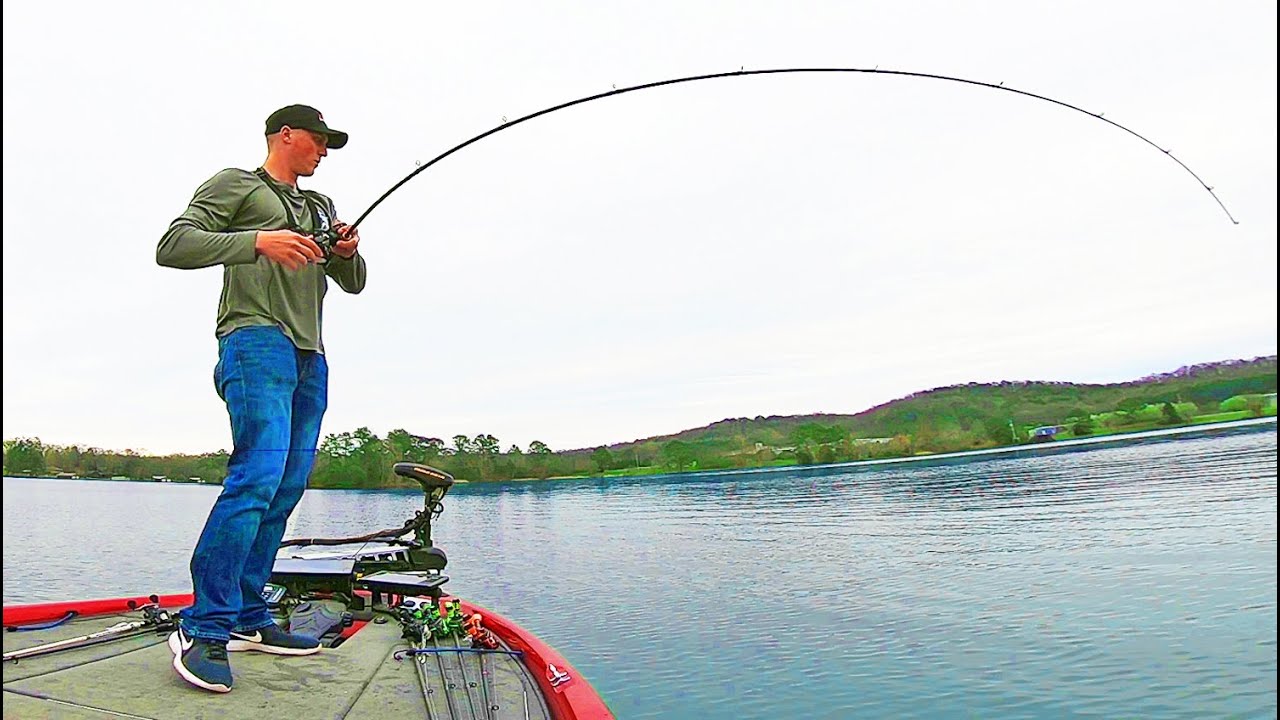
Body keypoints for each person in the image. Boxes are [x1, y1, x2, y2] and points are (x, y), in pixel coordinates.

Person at [155, 104, 367, 693]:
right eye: (318, 140)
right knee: (255, 478)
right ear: (285, 135)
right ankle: (204, 626)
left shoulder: (320, 206)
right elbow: (173, 244)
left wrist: (345, 253)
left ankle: (250, 615)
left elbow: (353, 283)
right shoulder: (237, 185)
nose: (323, 152)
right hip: (255, 340)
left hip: (309, 355)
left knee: (287, 486)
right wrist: (257, 242)